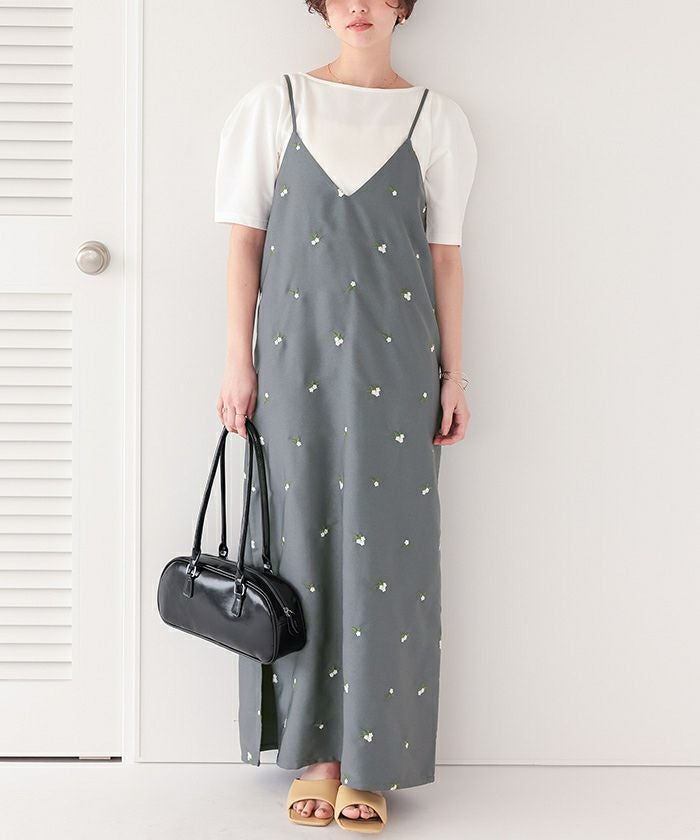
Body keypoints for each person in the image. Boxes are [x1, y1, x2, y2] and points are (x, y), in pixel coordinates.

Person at [214, 0, 477, 830]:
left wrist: (454, 374)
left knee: (391, 555)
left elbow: (445, 258)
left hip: (398, 369)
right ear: (322, 8)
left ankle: (373, 760)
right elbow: (244, 242)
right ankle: (316, 756)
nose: (359, 7)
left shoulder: (437, 118)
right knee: (296, 546)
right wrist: (237, 361)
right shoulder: (274, 104)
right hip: (293, 363)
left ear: (402, 6)